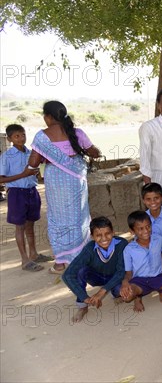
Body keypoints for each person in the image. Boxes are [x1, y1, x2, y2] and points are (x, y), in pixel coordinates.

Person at [27, 101, 101, 273]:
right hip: (75, 181)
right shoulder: (77, 133)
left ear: (48, 117)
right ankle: (82, 259)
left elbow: (33, 163)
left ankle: (60, 262)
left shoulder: (41, 137)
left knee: (57, 219)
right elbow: (94, 152)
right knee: (79, 217)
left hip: (56, 182)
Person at [0, 124, 51, 272]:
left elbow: (36, 170)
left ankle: (33, 254)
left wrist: (35, 173)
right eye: (16, 136)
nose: (21, 138)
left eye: (23, 135)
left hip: (31, 191)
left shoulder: (30, 153)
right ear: (9, 138)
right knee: (20, 227)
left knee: (30, 225)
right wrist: (23, 175)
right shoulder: (6, 157)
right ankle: (24, 260)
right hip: (17, 193)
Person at [62, 217, 128, 323]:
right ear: (92, 237)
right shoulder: (89, 249)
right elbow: (67, 275)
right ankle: (83, 307)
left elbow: (121, 272)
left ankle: (115, 293)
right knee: (81, 271)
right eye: (98, 235)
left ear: (113, 232)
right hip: (97, 277)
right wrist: (85, 298)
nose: (104, 238)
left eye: (108, 233)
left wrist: (101, 292)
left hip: (115, 277)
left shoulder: (122, 244)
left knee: (121, 291)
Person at [120, 211, 162, 313]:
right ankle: (138, 299)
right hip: (139, 280)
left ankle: (161, 289)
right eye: (140, 229)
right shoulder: (128, 249)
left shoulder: (159, 240)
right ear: (132, 231)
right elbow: (129, 273)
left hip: (157, 277)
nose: (146, 231)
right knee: (127, 297)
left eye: (148, 226)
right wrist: (125, 282)